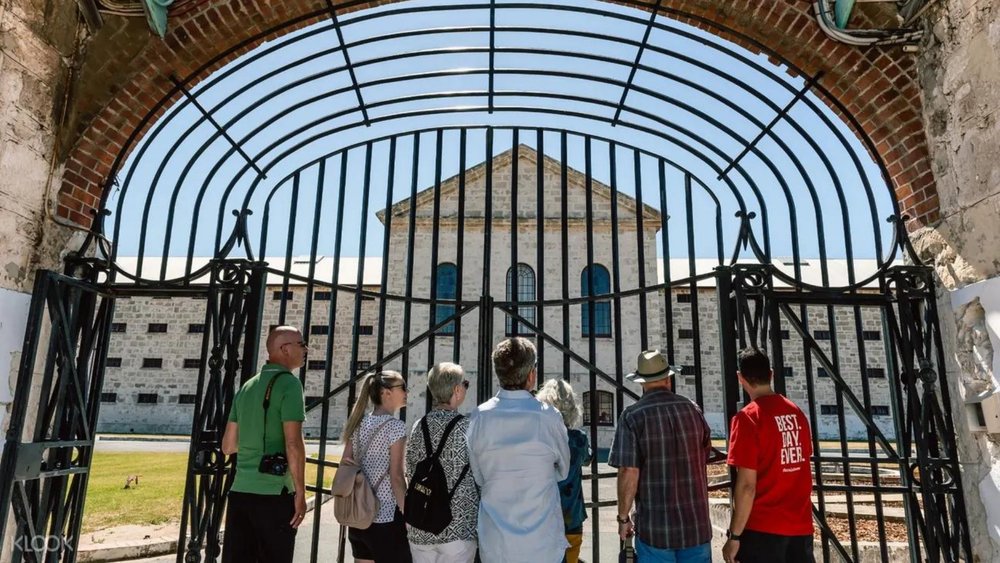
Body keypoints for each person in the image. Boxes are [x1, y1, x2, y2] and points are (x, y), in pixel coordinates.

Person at [466, 337, 571, 562]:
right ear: (531, 375)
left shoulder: (479, 417)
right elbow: (563, 470)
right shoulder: (549, 417)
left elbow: (478, 475)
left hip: (496, 543)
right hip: (543, 543)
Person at [609, 349, 712, 563]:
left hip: (656, 528)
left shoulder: (633, 416)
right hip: (696, 525)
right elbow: (704, 455)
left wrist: (623, 517)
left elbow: (628, 471)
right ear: (668, 378)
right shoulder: (693, 409)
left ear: (642, 382)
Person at [221, 326, 308, 563]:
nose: (305, 349)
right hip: (273, 492)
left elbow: (228, 446)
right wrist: (300, 491)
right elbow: (293, 443)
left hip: (240, 491)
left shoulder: (247, 387)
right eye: (301, 344)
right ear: (284, 349)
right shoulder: (289, 385)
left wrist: (254, 445)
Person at [723, 348, 815, 563]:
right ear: (771, 374)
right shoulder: (796, 413)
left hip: (763, 529)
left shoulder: (747, 419)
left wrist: (734, 535)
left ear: (740, 378)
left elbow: (747, 486)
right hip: (800, 526)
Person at [405, 362, 479, 562]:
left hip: (421, 523)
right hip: (458, 524)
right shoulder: (467, 427)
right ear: (456, 389)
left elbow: (409, 469)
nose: (465, 387)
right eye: (465, 384)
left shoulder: (418, 426)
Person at [343, 371, 412, 563]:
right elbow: (397, 478)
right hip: (385, 516)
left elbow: (345, 464)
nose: (407, 391)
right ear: (386, 392)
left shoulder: (357, 424)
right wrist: (408, 515)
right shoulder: (395, 427)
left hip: (358, 516)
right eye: (403, 387)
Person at [535, 378, 592, 563]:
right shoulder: (578, 439)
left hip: (541, 517)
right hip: (571, 516)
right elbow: (588, 459)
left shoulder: (539, 438)